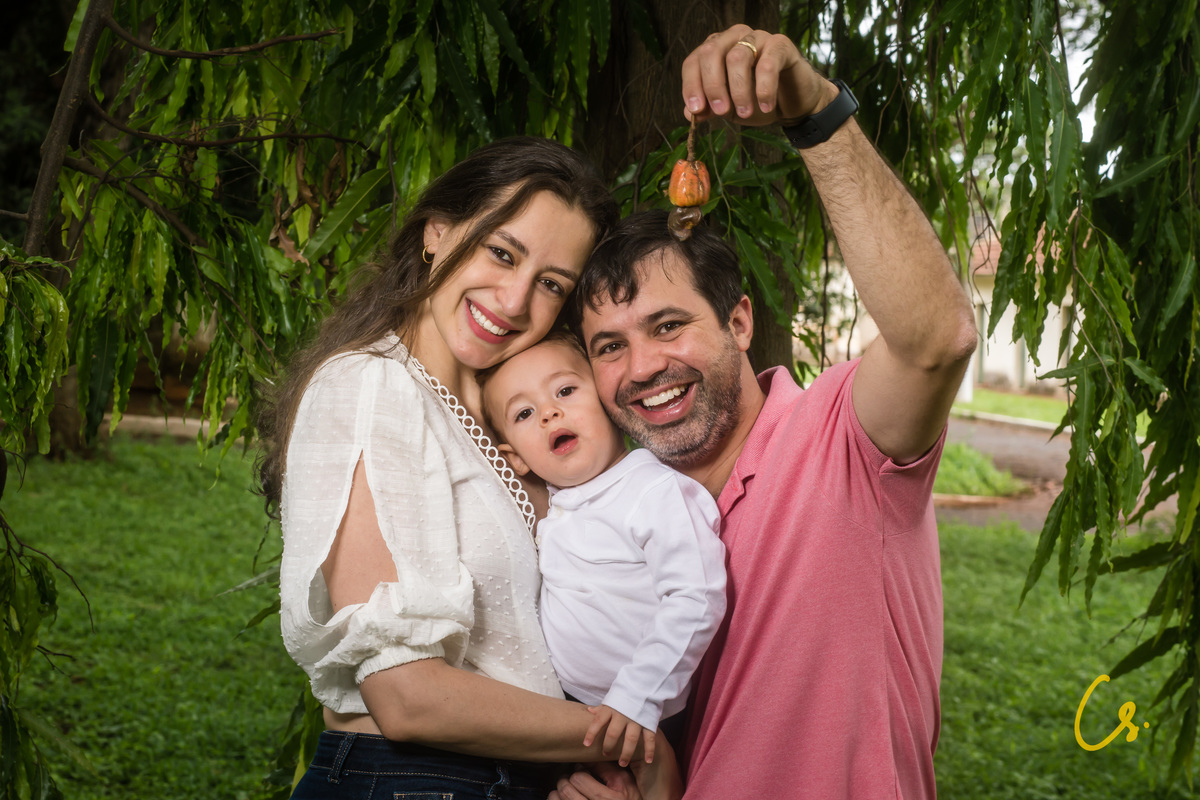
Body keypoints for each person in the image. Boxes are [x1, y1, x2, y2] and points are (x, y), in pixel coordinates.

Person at [550, 24, 978, 800]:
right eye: (608, 347)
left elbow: (935, 340)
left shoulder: (842, 440)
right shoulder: (620, 506)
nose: (642, 368)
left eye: (669, 326)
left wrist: (811, 110)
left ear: (739, 322)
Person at [256, 137, 684, 800]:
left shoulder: (507, 426)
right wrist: (630, 740)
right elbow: (405, 693)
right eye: (502, 252)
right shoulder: (372, 386)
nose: (514, 300)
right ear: (438, 232)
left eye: (550, 285)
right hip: (405, 779)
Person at [475, 331, 727, 767]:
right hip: (572, 720)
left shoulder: (652, 491)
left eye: (566, 390)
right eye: (525, 412)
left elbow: (696, 595)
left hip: (643, 711)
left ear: (609, 405)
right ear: (515, 458)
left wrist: (637, 697)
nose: (550, 412)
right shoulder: (554, 512)